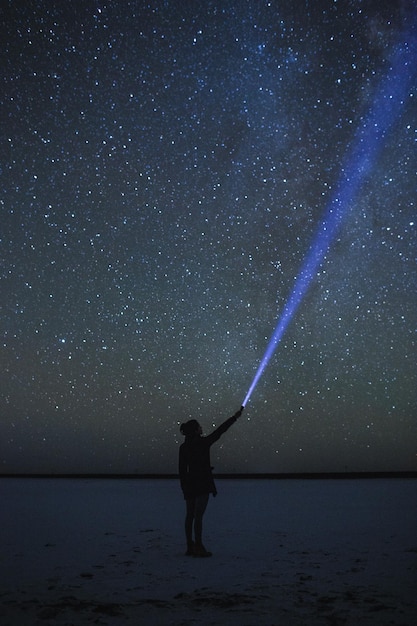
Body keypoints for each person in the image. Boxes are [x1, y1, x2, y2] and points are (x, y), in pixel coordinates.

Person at [178, 406, 244, 557]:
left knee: (190, 515)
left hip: (189, 484)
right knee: (198, 516)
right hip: (201, 483)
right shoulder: (203, 443)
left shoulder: (184, 447)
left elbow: (182, 469)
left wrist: (184, 486)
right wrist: (235, 417)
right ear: (195, 430)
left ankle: (190, 546)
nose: (202, 428)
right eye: (199, 427)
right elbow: (220, 430)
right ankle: (199, 546)